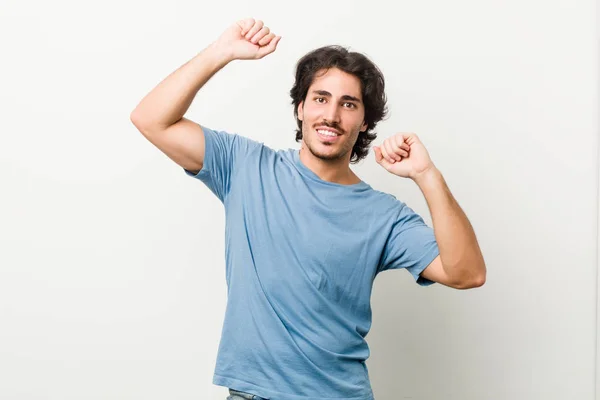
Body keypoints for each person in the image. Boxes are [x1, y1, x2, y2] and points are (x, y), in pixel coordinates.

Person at [131, 18, 486, 400]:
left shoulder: (385, 216)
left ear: (364, 121)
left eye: (348, 104)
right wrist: (221, 52)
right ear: (301, 108)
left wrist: (426, 176)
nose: (331, 115)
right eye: (320, 99)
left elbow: (467, 273)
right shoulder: (246, 166)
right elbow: (151, 119)